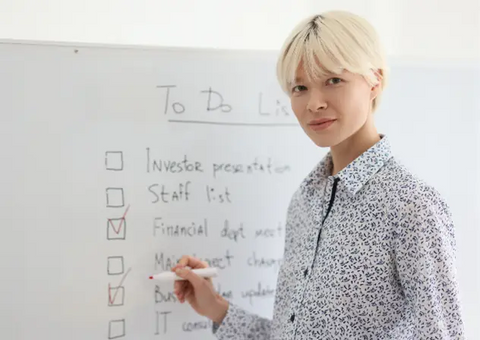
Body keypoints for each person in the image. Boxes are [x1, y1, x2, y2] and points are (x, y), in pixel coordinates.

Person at [171, 10, 465, 339]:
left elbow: (443, 334)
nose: (314, 103)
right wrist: (216, 308)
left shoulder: (411, 206)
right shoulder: (304, 202)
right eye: (300, 88)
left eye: (333, 80)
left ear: (374, 81)